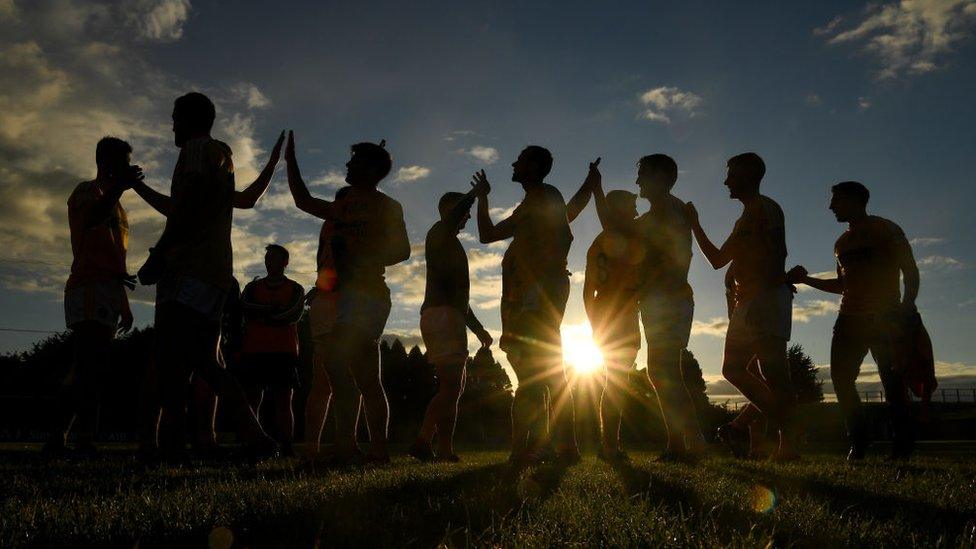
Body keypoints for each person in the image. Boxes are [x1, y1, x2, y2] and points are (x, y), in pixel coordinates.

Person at [136, 92, 277, 461]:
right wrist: (137, 187)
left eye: (174, 117)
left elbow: (187, 206)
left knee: (173, 360)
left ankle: (170, 446)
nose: (171, 125)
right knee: (201, 360)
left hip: (188, 270)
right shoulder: (222, 158)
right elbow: (237, 201)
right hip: (214, 272)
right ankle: (253, 436)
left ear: (187, 119)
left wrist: (160, 253)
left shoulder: (198, 150)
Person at [285, 131, 410, 464]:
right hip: (354, 297)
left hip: (368, 296)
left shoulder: (387, 206)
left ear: (370, 168)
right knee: (364, 373)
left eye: (354, 160)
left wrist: (358, 255)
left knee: (339, 363)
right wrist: (290, 162)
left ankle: (347, 446)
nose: (347, 164)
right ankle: (372, 450)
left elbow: (402, 250)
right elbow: (305, 202)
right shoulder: (343, 204)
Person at [471, 146, 592, 465]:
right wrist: (483, 197)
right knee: (540, 373)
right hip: (525, 296)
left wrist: (540, 286)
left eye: (520, 160)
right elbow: (487, 235)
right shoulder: (533, 204)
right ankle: (556, 446)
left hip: (535, 296)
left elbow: (565, 227)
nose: (513, 163)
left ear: (535, 166)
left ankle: (534, 448)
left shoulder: (544, 195)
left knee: (537, 373)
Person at [787, 181, 919, 460]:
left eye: (836, 200)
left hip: (885, 318)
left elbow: (909, 270)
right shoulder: (841, 243)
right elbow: (842, 285)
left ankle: (902, 445)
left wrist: (906, 307)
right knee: (841, 380)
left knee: (892, 382)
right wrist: (806, 280)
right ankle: (858, 442)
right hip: (848, 320)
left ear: (855, 200)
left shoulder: (886, 229)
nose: (830, 206)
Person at [685, 152, 800, 461]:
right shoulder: (743, 219)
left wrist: (767, 291)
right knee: (733, 369)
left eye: (731, 175)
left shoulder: (766, 208)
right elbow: (718, 260)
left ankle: (787, 445)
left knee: (774, 373)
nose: (725, 181)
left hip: (765, 298)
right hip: (746, 302)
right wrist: (695, 225)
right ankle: (777, 426)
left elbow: (779, 252)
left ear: (748, 176)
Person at [591, 154, 705, 462]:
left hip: (670, 301)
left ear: (660, 177)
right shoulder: (654, 217)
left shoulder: (673, 213)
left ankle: (685, 446)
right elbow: (612, 227)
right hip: (659, 303)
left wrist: (645, 287)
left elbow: (676, 262)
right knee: (664, 372)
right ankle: (688, 444)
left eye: (642, 175)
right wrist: (597, 189)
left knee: (663, 370)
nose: (638, 181)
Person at [45, 137, 141, 456]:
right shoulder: (87, 191)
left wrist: (123, 303)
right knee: (87, 365)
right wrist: (120, 186)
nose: (127, 168)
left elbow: (116, 260)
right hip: (87, 285)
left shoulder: (119, 207)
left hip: (107, 290)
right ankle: (74, 438)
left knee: (89, 366)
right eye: (123, 162)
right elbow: (92, 218)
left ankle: (67, 437)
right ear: (105, 162)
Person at [410, 191, 493, 462]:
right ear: (450, 209)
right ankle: (423, 439)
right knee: (451, 388)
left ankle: (445, 449)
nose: (467, 216)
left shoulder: (449, 244)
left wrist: (478, 329)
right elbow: (456, 213)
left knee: (452, 388)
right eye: (463, 211)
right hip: (443, 317)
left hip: (447, 316)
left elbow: (462, 300)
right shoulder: (440, 233)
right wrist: (474, 195)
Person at [581, 189, 643, 462]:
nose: (637, 212)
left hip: (605, 317)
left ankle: (609, 445)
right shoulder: (625, 240)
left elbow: (587, 291)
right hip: (622, 317)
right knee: (617, 382)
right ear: (619, 210)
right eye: (632, 207)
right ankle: (609, 446)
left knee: (613, 381)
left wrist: (594, 324)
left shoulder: (597, 243)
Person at [236, 245, 305, 456]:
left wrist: (264, 314)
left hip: (283, 352)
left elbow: (292, 315)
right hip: (254, 350)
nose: (268, 262)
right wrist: (273, 311)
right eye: (267, 258)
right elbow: (244, 308)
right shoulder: (251, 287)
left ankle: (286, 447)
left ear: (285, 262)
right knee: (252, 399)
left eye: (273, 258)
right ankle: (252, 444)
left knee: (283, 401)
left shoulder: (295, 289)